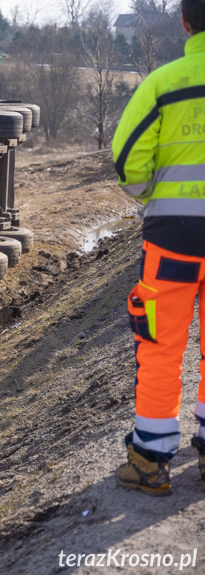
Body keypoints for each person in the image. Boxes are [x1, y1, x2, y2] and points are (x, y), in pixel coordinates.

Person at [113, 0, 205, 496]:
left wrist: (154, 194)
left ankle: (150, 459)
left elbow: (127, 159)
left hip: (173, 237)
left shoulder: (164, 83)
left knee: (161, 344)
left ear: (186, 22)